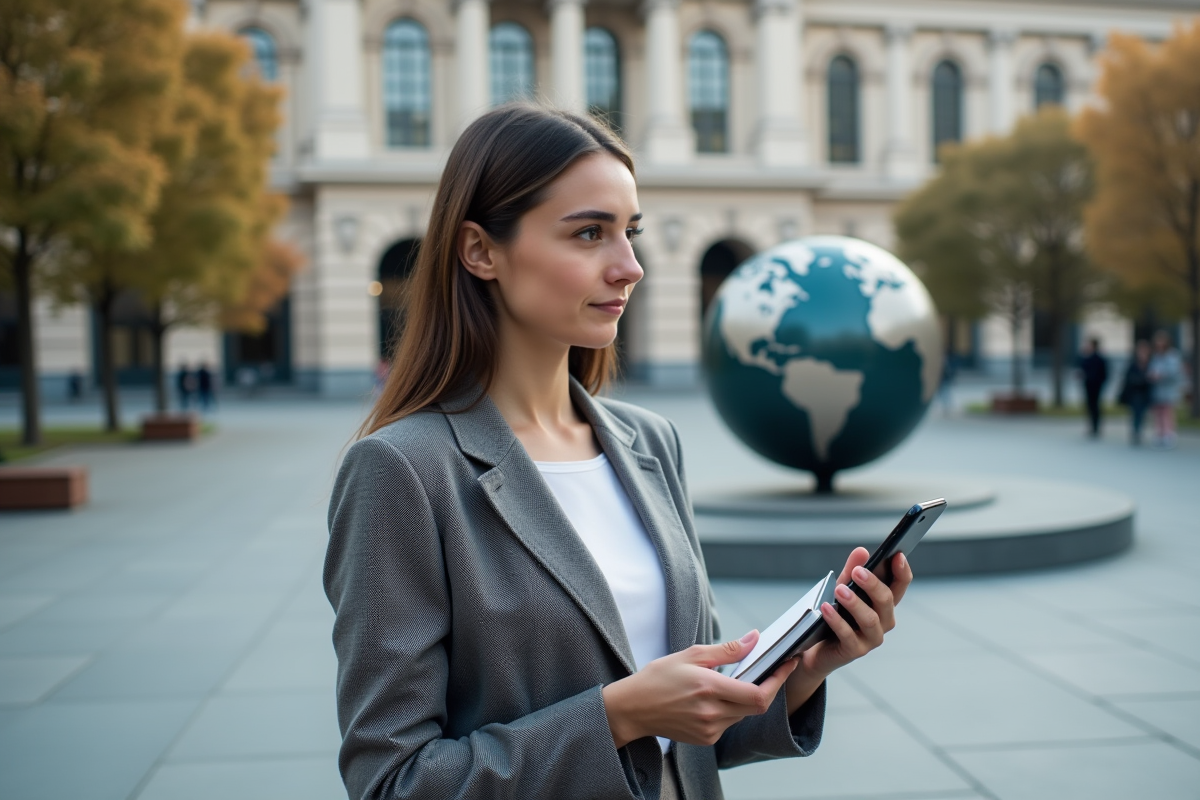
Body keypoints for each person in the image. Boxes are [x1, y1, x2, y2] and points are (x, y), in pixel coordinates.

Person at [324, 105, 914, 800]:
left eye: (629, 233)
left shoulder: (649, 443)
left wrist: (806, 666)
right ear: (480, 251)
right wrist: (618, 715)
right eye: (589, 234)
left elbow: (694, 729)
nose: (630, 267)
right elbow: (392, 782)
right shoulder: (403, 471)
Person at [1147, 330, 1183, 449]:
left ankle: (1169, 435)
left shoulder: (1172, 355)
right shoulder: (1156, 356)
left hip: (1168, 389)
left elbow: (1174, 372)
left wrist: (1161, 374)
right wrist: (1152, 374)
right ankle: (1160, 434)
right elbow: (1151, 368)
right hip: (1157, 389)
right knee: (1158, 412)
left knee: (1167, 412)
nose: (1159, 344)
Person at [1118, 340, 1153, 446]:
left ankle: (1138, 430)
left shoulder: (1151, 363)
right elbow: (1128, 378)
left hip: (1145, 393)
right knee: (1136, 413)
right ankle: (1136, 431)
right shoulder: (1133, 364)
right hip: (1135, 393)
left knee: (1142, 413)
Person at [1078, 337, 1108, 438]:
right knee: (1089, 406)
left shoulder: (1099, 358)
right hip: (1088, 385)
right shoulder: (1085, 357)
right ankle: (1091, 426)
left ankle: (1096, 427)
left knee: (1095, 406)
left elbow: (1104, 373)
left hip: (1096, 385)